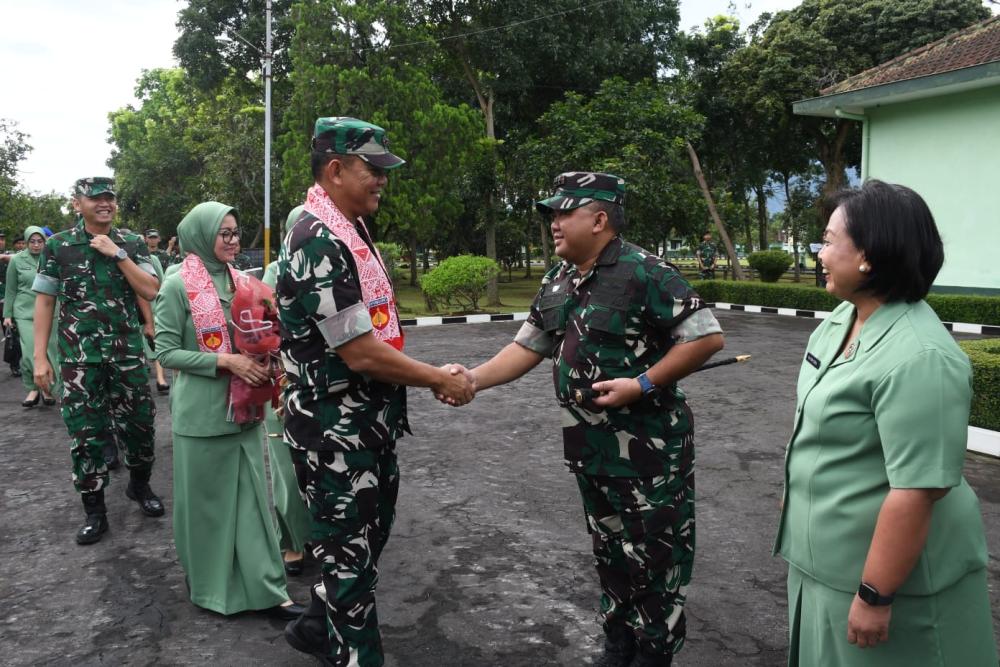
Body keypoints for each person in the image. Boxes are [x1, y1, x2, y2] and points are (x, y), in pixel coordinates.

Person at [445, 172, 724, 667]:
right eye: (551, 214)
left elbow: (705, 338)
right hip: (591, 449)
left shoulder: (646, 272)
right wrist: (472, 379)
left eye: (563, 212)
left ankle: (654, 651)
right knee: (610, 550)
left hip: (649, 452)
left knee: (656, 555)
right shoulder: (559, 279)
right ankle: (619, 641)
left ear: (599, 220)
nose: (553, 223)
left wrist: (642, 383)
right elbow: (527, 346)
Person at [277, 116, 473, 666]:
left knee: (367, 542)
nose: (383, 180)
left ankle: (317, 626)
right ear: (336, 170)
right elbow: (359, 351)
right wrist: (437, 377)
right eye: (374, 169)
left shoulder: (351, 229)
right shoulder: (318, 239)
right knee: (350, 562)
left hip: (366, 424)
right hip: (334, 432)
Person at [775, 180, 997, 665]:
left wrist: (875, 594)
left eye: (828, 241)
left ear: (869, 256)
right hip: (821, 563)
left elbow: (916, 489)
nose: (819, 254)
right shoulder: (840, 320)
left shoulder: (921, 356)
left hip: (884, 584)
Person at [154, 201, 304, 619]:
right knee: (207, 509)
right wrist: (227, 362)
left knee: (253, 505)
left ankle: (268, 590)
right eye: (225, 234)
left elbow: (264, 333)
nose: (234, 241)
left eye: (236, 233)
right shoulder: (176, 286)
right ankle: (210, 587)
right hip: (201, 416)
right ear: (202, 236)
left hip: (245, 410)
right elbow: (165, 352)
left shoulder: (245, 283)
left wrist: (267, 358)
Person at [32, 176, 164, 545]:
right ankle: (95, 511)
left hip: (126, 356)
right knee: (85, 437)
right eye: (95, 198)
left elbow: (151, 290)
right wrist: (40, 357)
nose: (104, 203)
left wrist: (117, 254)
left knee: (140, 428)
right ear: (78, 204)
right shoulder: (58, 246)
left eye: (109, 198)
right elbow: (45, 301)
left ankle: (139, 486)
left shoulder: (131, 242)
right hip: (79, 360)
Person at [262, 205, 310, 577]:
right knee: (288, 470)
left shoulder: (339, 265)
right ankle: (293, 540)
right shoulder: (274, 274)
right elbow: (260, 333)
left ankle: (327, 536)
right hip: (283, 384)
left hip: (327, 384)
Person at [4, 226, 60, 406]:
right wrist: (7, 315)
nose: (36, 245)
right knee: (30, 354)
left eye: (40, 241)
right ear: (26, 242)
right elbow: (10, 289)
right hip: (25, 313)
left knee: (51, 353)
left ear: (45, 242)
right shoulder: (16, 260)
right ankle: (33, 388)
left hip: (51, 312)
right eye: (32, 241)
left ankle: (47, 389)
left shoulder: (52, 258)